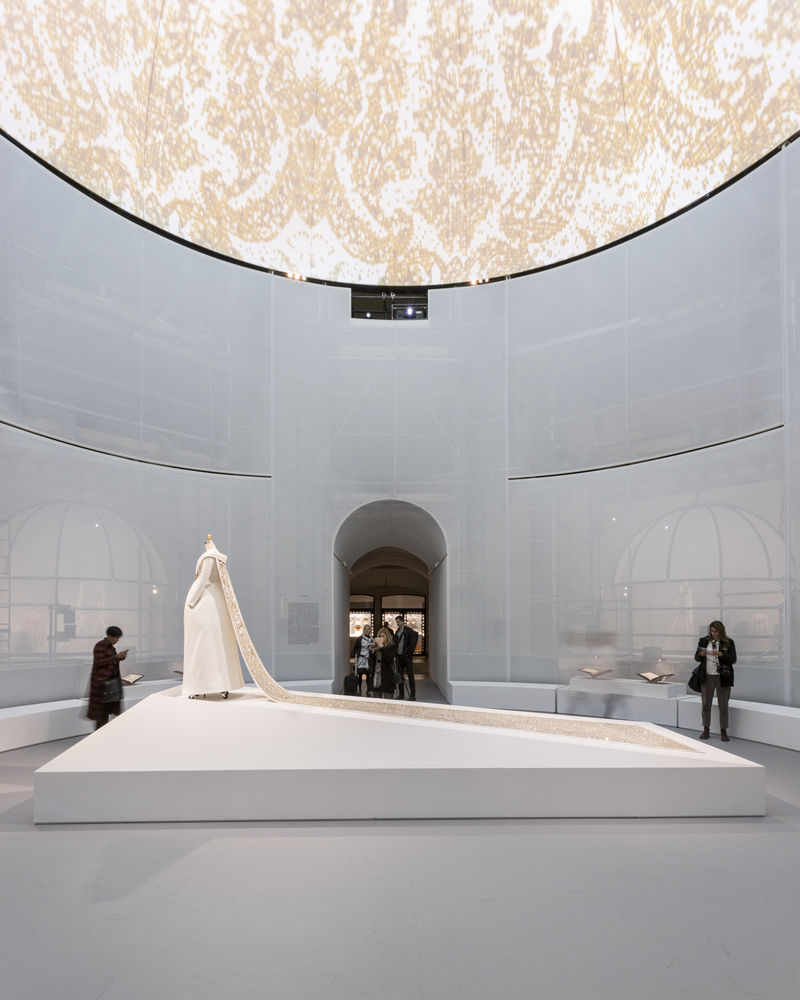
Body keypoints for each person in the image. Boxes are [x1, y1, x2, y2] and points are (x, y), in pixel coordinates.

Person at [183, 535, 245, 698]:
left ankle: (202, 684)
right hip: (216, 600)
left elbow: (203, 579)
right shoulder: (218, 558)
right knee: (215, 643)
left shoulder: (209, 557)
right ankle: (218, 683)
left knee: (203, 644)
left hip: (205, 601)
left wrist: (191, 601)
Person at [695, 620, 736, 742]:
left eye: (716, 631)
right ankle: (706, 729)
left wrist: (720, 654)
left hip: (722, 676)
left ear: (721, 631)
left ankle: (723, 730)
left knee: (723, 705)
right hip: (707, 676)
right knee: (706, 704)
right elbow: (697, 658)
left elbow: (733, 659)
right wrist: (701, 654)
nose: (714, 633)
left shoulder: (728, 642)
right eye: (712, 631)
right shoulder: (704, 641)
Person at [87, 626, 127, 730]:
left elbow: (108, 661)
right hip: (101, 685)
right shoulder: (101, 645)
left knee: (105, 713)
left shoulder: (110, 647)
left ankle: (103, 734)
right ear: (109, 636)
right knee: (101, 715)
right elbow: (99, 663)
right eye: (116, 637)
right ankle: (99, 735)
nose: (117, 640)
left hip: (108, 684)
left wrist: (119, 658)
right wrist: (116, 657)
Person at [394, 615, 419, 701]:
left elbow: (412, 643)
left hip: (406, 656)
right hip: (399, 656)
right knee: (400, 676)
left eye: (399, 621)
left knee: (410, 675)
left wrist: (409, 654)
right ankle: (401, 694)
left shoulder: (409, 631)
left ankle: (412, 695)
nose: (398, 623)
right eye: (397, 622)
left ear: (403, 622)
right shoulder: (397, 632)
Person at [370, 632, 399, 698]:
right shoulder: (377, 647)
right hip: (376, 675)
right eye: (380, 636)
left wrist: (382, 647)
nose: (381, 638)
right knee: (377, 699)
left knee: (388, 699)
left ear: (387, 637)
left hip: (387, 676)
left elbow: (389, 659)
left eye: (383, 636)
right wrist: (372, 652)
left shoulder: (392, 646)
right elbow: (372, 660)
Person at [351, 623, 373, 695]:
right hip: (361, 659)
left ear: (370, 630)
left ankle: (368, 690)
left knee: (368, 676)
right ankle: (359, 690)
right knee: (360, 675)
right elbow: (355, 648)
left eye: (368, 629)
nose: (367, 631)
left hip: (368, 659)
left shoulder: (372, 639)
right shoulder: (359, 639)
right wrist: (355, 655)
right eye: (365, 629)